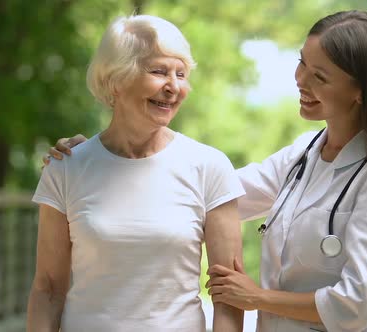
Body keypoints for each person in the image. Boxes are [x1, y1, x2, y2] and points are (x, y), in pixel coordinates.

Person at [45, 10, 367, 332]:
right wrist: (100, 158)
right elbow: (193, 193)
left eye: (319, 77)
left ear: (360, 91)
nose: (300, 80)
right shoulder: (300, 157)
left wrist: (256, 297)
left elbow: (356, 303)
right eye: (302, 64)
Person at [27, 15, 244, 332]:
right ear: (115, 79)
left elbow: (228, 296)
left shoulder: (209, 166)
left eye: (181, 74)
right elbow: (47, 289)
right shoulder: (66, 167)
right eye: (159, 71)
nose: (173, 87)